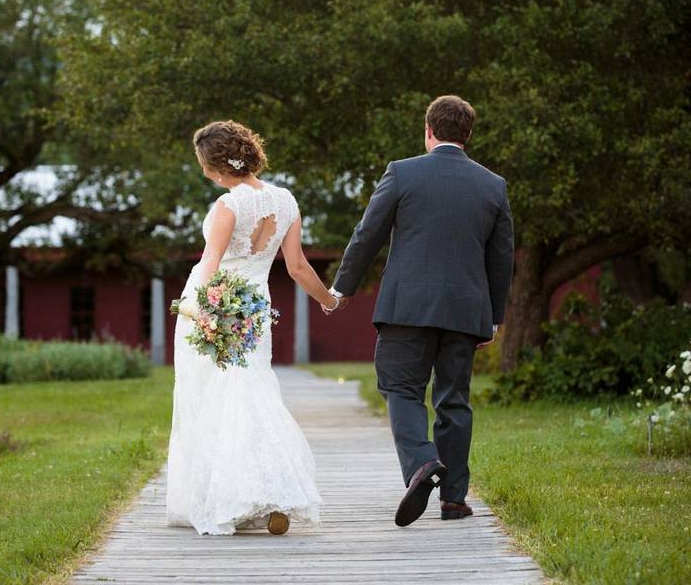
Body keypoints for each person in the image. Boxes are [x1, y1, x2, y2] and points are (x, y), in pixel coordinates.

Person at [328, 95, 514, 526]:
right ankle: (453, 499)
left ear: (428, 130)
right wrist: (492, 316)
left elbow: (367, 233)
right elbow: (501, 258)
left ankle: (421, 464)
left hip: (406, 308)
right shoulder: (493, 185)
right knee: (454, 400)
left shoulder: (402, 172)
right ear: (467, 134)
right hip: (466, 311)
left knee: (401, 388)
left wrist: (343, 288)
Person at [165, 120, 336, 536]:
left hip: (218, 306)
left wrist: (194, 308)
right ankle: (274, 492)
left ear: (214, 164)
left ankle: (235, 498)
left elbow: (210, 263)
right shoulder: (286, 201)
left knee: (215, 399)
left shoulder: (228, 207)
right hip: (256, 312)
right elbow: (297, 266)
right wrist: (327, 299)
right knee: (254, 389)